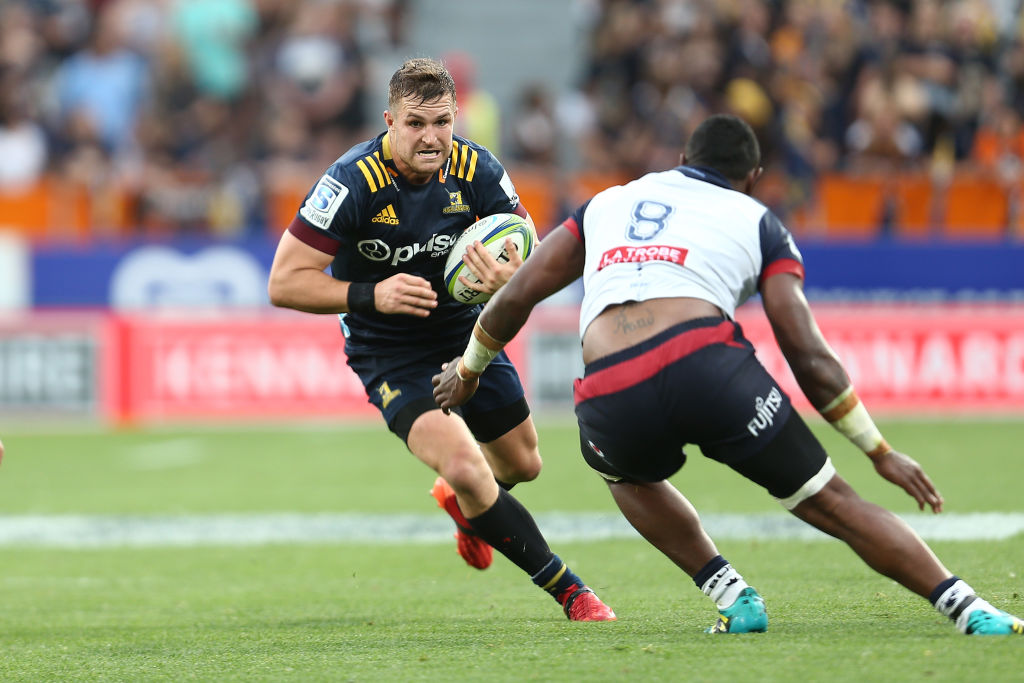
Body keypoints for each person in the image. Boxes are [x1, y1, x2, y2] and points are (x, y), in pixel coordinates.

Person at [433, 113, 1024, 636]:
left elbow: (516, 298)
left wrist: (468, 372)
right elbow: (806, 353)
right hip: (705, 364)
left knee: (622, 471)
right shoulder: (759, 220)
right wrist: (879, 450)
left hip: (611, 380)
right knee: (829, 500)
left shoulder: (608, 202)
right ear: (754, 175)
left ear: (683, 161)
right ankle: (968, 609)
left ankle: (733, 596)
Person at [267, 57, 615, 622]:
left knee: (523, 466)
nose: (431, 137)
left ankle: (462, 505)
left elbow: (524, 237)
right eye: (415, 124)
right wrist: (369, 295)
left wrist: (512, 274)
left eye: (442, 122)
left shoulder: (476, 168)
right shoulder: (351, 182)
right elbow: (284, 282)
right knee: (467, 467)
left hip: (464, 333)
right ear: (389, 121)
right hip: (391, 350)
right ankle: (572, 593)